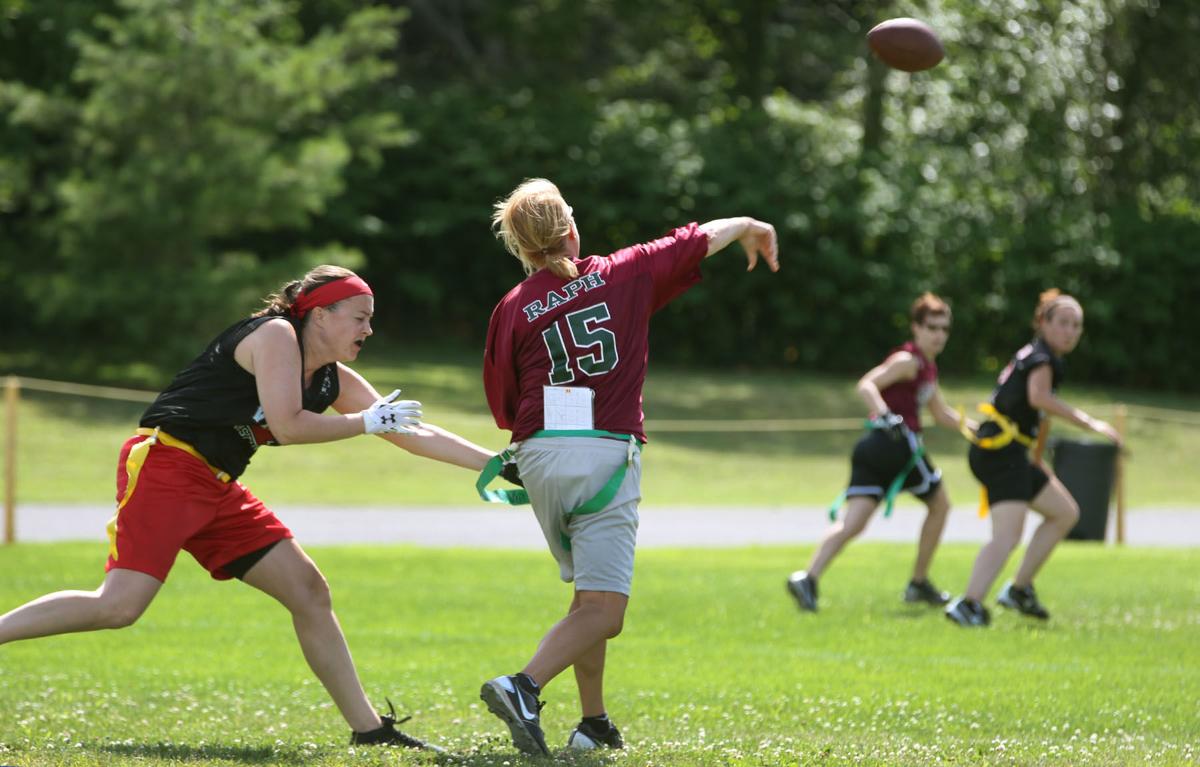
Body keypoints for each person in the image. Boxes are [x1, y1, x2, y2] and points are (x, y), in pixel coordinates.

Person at [0, 265, 496, 747]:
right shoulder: (276, 335)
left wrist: (494, 464)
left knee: (308, 591)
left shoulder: (331, 378)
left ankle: (369, 732)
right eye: (360, 317)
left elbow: (407, 430)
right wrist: (366, 422)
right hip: (168, 465)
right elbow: (289, 425)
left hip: (217, 483)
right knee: (118, 606)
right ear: (320, 315)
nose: (369, 329)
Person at [478, 178, 779, 755]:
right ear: (571, 227)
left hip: (538, 453)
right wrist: (748, 224)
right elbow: (695, 238)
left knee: (588, 599)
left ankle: (593, 722)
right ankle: (523, 686)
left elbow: (503, 404)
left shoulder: (511, 306)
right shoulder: (623, 271)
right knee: (606, 612)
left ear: (520, 247)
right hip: (603, 451)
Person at [787, 293, 975, 613]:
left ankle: (808, 578)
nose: (939, 335)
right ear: (916, 328)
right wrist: (885, 414)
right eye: (932, 327)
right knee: (940, 505)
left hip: (878, 449)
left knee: (854, 523)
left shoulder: (927, 366)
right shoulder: (907, 360)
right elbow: (866, 384)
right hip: (894, 446)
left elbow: (941, 413)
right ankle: (918, 584)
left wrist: (977, 429)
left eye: (944, 328)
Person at [944, 289, 1121, 627]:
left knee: (1064, 513)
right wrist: (1091, 423)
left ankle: (1019, 589)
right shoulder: (1041, 358)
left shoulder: (1042, 356)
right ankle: (968, 604)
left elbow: (1036, 416)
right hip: (1000, 453)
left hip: (1012, 453)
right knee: (1007, 536)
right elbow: (1039, 398)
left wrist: (1036, 459)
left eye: (1076, 325)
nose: (1070, 331)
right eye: (1063, 323)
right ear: (1043, 323)